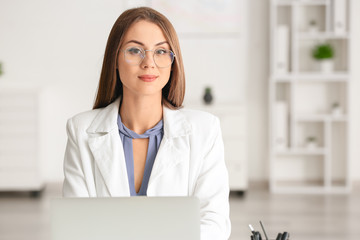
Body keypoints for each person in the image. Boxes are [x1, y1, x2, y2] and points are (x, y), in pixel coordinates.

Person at [63, 6, 231, 240]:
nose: (149, 62)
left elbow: (214, 223)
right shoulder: (80, 131)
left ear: (173, 63)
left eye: (161, 52)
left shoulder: (205, 130)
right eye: (135, 50)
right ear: (115, 59)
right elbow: (75, 227)